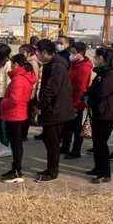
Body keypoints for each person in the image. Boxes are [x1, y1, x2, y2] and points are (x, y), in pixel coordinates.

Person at [34, 39, 75, 182]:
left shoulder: (57, 66)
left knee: (53, 143)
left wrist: (40, 106)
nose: (37, 55)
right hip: (53, 109)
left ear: (45, 52)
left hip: (56, 110)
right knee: (49, 141)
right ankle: (50, 168)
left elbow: (51, 89)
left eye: (38, 52)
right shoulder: (52, 64)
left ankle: (52, 172)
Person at [0, 54, 38, 183]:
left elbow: (15, 99)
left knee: (16, 144)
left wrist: (3, 102)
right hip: (19, 113)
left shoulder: (18, 79)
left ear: (15, 64)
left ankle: (17, 171)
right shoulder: (24, 77)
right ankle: (15, 169)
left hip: (15, 114)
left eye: (12, 63)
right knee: (16, 144)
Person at [84, 48, 113, 183]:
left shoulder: (110, 74)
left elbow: (102, 92)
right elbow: (93, 88)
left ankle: (105, 173)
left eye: (96, 57)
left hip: (106, 113)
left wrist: (90, 98)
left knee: (101, 143)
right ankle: (98, 168)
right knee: (97, 142)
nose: (94, 59)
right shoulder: (102, 72)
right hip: (99, 111)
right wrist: (86, 96)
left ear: (102, 58)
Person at [61, 41, 93, 159]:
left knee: (76, 128)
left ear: (81, 53)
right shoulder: (74, 64)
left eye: (74, 52)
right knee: (67, 126)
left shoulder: (83, 68)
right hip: (69, 100)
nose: (71, 54)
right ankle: (65, 146)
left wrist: (76, 105)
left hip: (77, 102)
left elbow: (81, 89)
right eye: (71, 52)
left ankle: (76, 150)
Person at [18, 44, 41, 141]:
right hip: (28, 92)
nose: (20, 53)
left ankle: (23, 135)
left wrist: (30, 93)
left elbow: (33, 79)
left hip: (29, 93)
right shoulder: (28, 62)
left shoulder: (32, 63)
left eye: (22, 52)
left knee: (27, 114)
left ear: (29, 52)